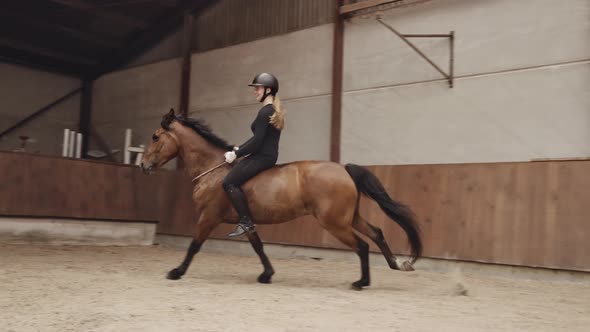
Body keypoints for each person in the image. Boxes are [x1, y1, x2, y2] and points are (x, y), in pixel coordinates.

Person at [222, 73, 286, 237]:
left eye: (258, 88)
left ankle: (246, 222)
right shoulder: (269, 110)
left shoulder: (265, 112)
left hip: (262, 157)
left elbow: (257, 142)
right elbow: (257, 139)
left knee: (229, 182)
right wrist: (238, 150)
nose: (255, 91)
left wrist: (236, 155)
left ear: (268, 90)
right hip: (266, 155)